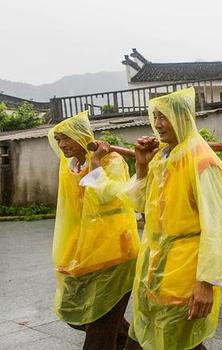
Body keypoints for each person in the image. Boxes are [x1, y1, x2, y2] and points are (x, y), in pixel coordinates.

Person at [125, 87, 222, 349]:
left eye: (165, 117)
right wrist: (141, 167)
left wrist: (205, 282)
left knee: (176, 338)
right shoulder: (162, 157)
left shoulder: (204, 162)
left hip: (185, 273)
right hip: (154, 269)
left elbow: (216, 226)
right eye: (156, 116)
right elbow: (141, 206)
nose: (158, 125)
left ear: (183, 118)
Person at [48, 110, 139, 350]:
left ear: (81, 136)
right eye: (58, 140)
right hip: (85, 251)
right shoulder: (70, 166)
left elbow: (113, 195)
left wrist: (97, 164)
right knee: (73, 310)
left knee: (100, 326)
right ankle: (129, 341)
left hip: (115, 253)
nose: (62, 144)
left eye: (66, 138)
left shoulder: (112, 161)